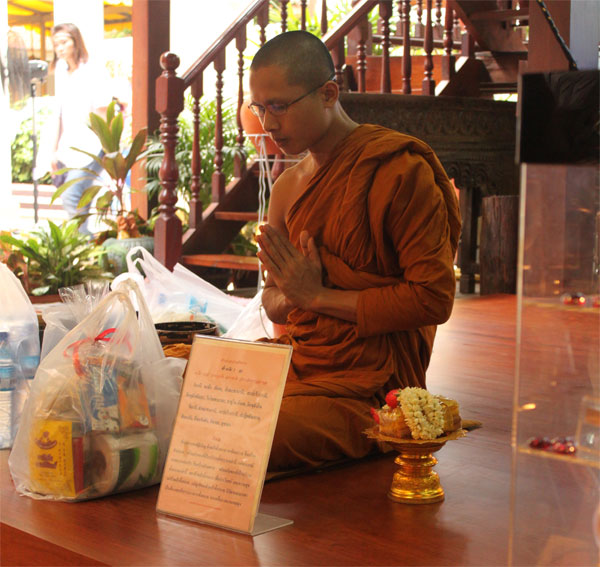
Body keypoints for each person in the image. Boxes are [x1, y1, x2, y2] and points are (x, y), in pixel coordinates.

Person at [250, 31, 461, 472]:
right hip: (301, 364)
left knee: (252, 434)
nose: (268, 124)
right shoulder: (288, 187)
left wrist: (319, 297)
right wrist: (292, 294)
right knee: (188, 392)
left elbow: (433, 298)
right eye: (259, 107)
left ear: (328, 93)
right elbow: (273, 303)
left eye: (279, 106)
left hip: (370, 388)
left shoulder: (400, 171)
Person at [47, 23, 109, 235]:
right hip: (69, 149)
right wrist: (53, 152)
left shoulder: (91, 71)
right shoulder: (63, 75)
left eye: (64, 42)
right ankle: (89, 256)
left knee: (71, 196)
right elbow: (58, 116)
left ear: (76, 41)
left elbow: (102, 111)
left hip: (92, 147)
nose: (60, 48)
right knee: (80, 204)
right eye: (56, 44)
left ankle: (86, 247)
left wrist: (108, 148)